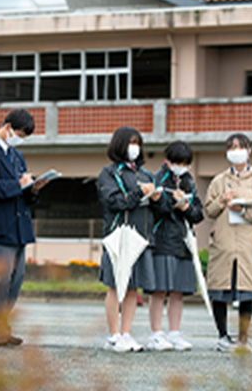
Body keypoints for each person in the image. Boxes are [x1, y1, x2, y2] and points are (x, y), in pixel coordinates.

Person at [0, 109, 48, 347]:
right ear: (7, 127)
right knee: (0, 281)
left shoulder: (17, 155)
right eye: (19, 133)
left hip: (18, 227)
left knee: (15, 281)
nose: (20, 138)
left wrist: (33, 189)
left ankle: (2, 328)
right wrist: (18, 184)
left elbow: (21, 193)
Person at [97, 126, 164, 353]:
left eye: (138, 143)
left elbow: (160, 208)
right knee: (116, 286)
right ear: (119, 144)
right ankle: (113, 335)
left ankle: (126, 333)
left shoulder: (146, 175)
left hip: (142, 237)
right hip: (119, 236)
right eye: (130, 142)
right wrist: (140, 193)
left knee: (133, 288)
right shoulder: (109, 173)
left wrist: (157, 198)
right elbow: (114, 201)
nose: (135, 148)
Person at [204, 133, 252, 352]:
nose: (236, 151)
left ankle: (243, 339)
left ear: (249, 150)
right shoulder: (219, 180)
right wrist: (222, 201)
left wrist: (243, 210)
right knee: (220, 291)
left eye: (240, 147)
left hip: (247, 244)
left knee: (247, 292)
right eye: (231, 147)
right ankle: (223, 336)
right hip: (223, 244)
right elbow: (209, 211)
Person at [146, 140, 204, 352]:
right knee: (159, 290)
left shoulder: (188, 181)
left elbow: (198, 214)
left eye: (186, 163)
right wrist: (170, 202)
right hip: (161, 241)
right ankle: (156, 333)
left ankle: (174, 332)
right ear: (167, 161)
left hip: (183, 242)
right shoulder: (157, 179)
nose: (182, 166)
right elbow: (153, 211)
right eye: (178, 162)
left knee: (178, 291)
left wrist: (185, 206)